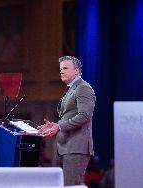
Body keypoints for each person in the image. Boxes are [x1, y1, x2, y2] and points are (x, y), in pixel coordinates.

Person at [37, 56, 96, 186]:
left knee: (72, 185)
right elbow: (70, 116)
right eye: (60, 69)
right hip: (69, 145)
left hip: (76, 146)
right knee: (70, 185)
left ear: (77, 71)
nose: (61, 71)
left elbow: (85, 116)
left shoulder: (83, 88)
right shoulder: (72, 89)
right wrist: (56, 125)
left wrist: (59, 127)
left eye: (65, 68)